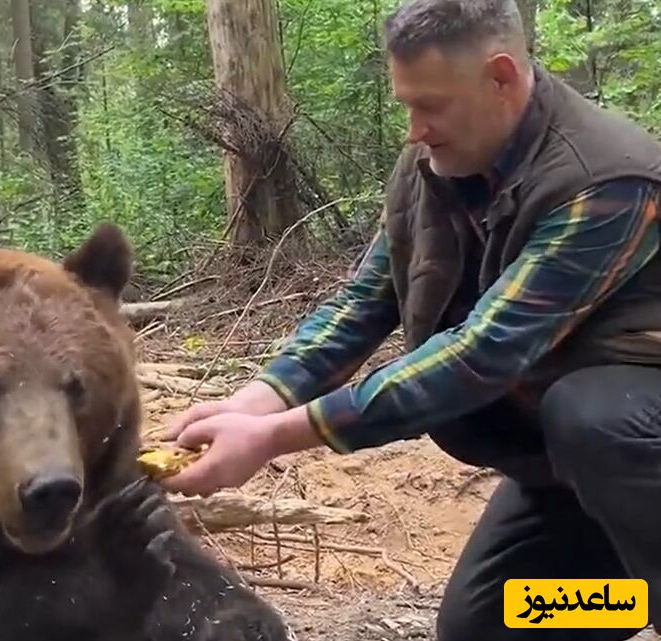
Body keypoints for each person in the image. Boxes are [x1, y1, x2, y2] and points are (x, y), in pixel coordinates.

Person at [160, 0, 661, 638]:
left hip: (627, 439)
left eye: (430, 105)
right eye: (406, 106)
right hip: (570, 466)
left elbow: (483, 355)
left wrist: (275, 437)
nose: (414, 129)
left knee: (592, 411)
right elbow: (363, 303)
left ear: (501, 77)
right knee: (493, 625)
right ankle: (642, 597)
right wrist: (256, 402)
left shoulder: (606, 180)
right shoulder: (434, 166)